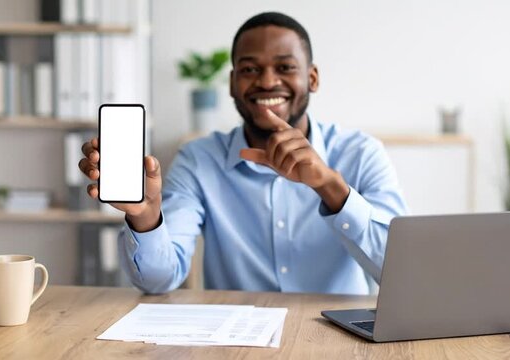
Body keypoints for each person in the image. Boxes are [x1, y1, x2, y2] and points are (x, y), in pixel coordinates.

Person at [79, 12, 407, 295]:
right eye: (250, 69)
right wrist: (144, 216)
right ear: (233, 83)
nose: (267, 81)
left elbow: (400, 274)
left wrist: (330, 187)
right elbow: (157, 281)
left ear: (312, 78)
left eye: (285, 67)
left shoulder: (361, 154)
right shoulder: (198, 159)